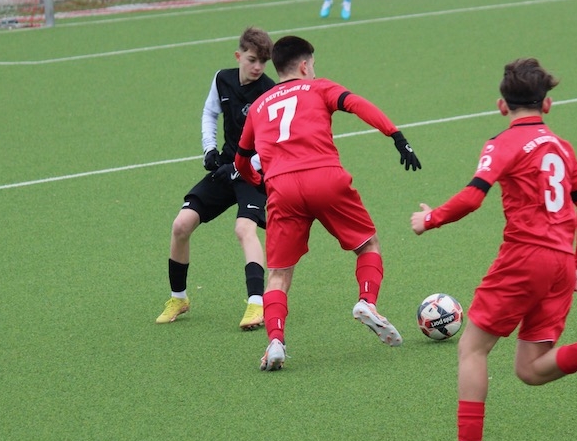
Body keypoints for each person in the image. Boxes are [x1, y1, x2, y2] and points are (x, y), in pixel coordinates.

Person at [409, 58, 577, 441]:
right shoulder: (562, 147)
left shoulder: (502, 143)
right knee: (530, 369)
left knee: (472, 348)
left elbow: (473, 197)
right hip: (561, 263)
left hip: (524, 258)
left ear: (501, 106)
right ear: (547, 104)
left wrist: (430, 218)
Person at [233, 35, 421, 371]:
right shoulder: (318, 87)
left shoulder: (259, 106)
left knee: (278, 274)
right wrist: (396, 136)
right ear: (305, 65)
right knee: (368, 244)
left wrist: (260, 182)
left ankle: (275, 341)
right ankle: (367, 302)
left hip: (282, 188)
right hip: (325, 177)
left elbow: (241, 161)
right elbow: (358, 104)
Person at [156, 27, 276, 331]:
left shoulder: (269, 92)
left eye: (263, 61)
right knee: (181, 225)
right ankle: (178, 298)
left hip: (255, 172)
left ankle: (257, 304)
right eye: (252, 60)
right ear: (238, 56)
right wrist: (209, 149)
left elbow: (270, 145)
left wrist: (239, 168)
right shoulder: (222, 79)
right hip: (226, 166)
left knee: (244, 229)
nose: (258, 67)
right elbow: (210, 113)